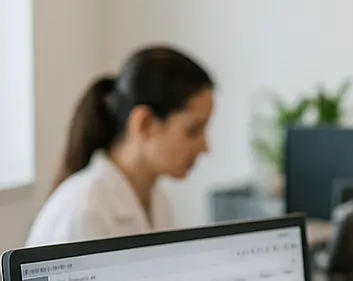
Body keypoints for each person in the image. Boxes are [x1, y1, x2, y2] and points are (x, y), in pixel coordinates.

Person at [27, 47, 214, 246]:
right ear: (145, 123)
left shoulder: (158, 201)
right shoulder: (83, 211)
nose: (205, 147)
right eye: (193, 130)